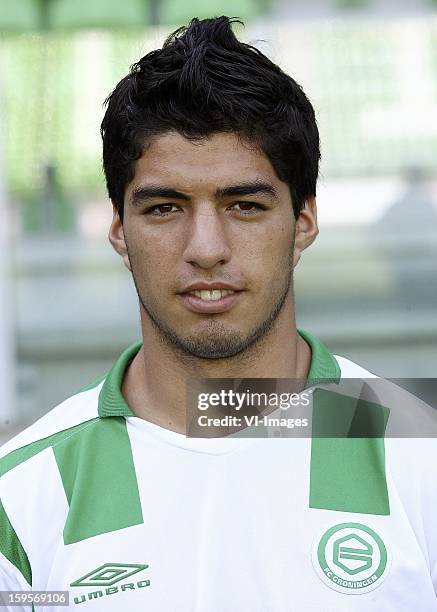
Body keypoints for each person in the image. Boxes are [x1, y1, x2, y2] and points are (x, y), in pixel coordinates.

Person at [0, 16, 436, 612]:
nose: (206, 248)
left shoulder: (422, 455)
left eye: (245, 205)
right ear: (119, 231)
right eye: (165, 208)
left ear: (303, 221)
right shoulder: (22, 493)